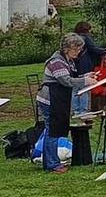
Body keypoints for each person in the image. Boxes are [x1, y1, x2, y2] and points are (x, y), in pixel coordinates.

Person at [37, 33, 96, 168]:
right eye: (76, 49)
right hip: (50, 99)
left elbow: (71, 76)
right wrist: (85, 81)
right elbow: (66, 80)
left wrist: (85, 75)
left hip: (57, 99)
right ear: (67, 48)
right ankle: (52, 164)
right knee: (53, 131)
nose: (78, 52)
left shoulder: (67, 61)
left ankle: (51, 162)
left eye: (79, 49)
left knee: (53, 130)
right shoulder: (56, 61)